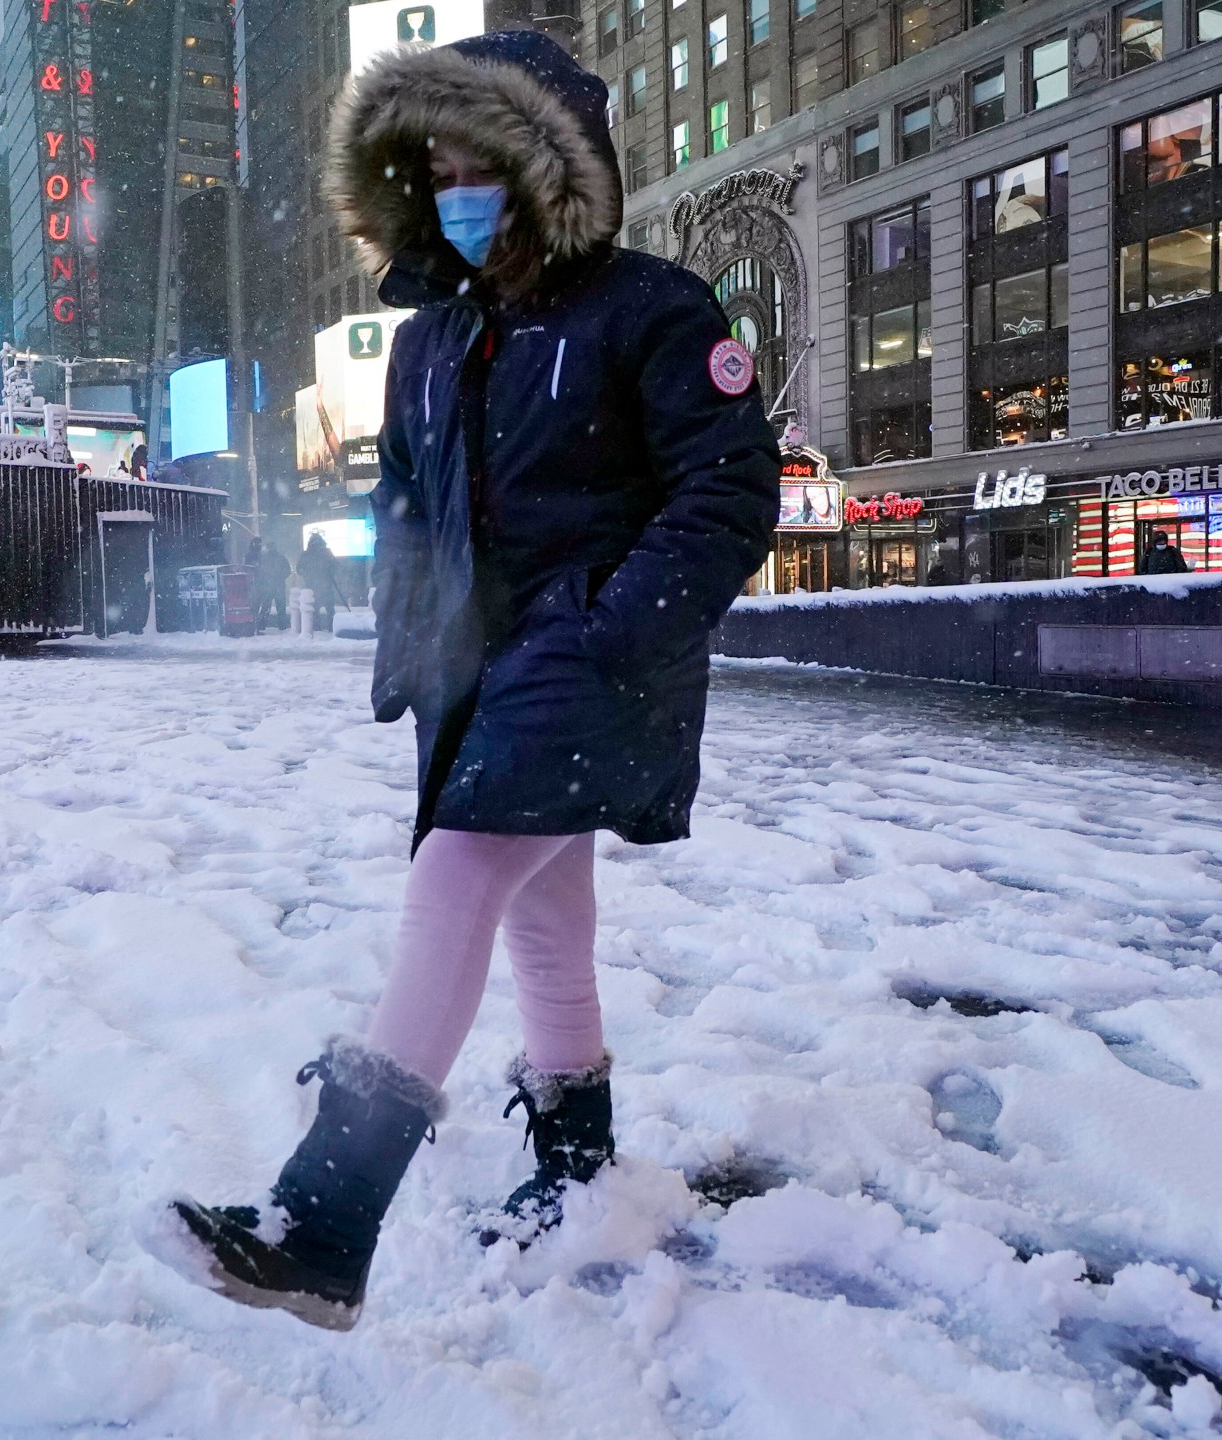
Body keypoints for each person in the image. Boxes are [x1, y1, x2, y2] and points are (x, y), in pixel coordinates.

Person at [168, 29, 778, 1330]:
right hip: (481, 681)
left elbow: (728, 489)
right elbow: (407, 508)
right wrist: (412, 646)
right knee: (544, 914)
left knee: (455, 883)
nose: (452, 184)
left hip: (594, 667)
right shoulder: (432, 341)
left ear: (539, 161)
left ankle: (324, 1222)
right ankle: (576, 1163)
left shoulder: (651, 310)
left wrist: (613, 635)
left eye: (474, 158)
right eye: (432, 162)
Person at [298, 532, 342, 633]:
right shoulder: (326, 553)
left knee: (314, 608)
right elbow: (335, 565)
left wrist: (307, 575)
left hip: (312, 585)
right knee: (329, 608)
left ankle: (316, 627)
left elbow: (299, 568)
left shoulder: (306, 554)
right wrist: (328, 573)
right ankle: (331, 627)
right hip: (326, 584)